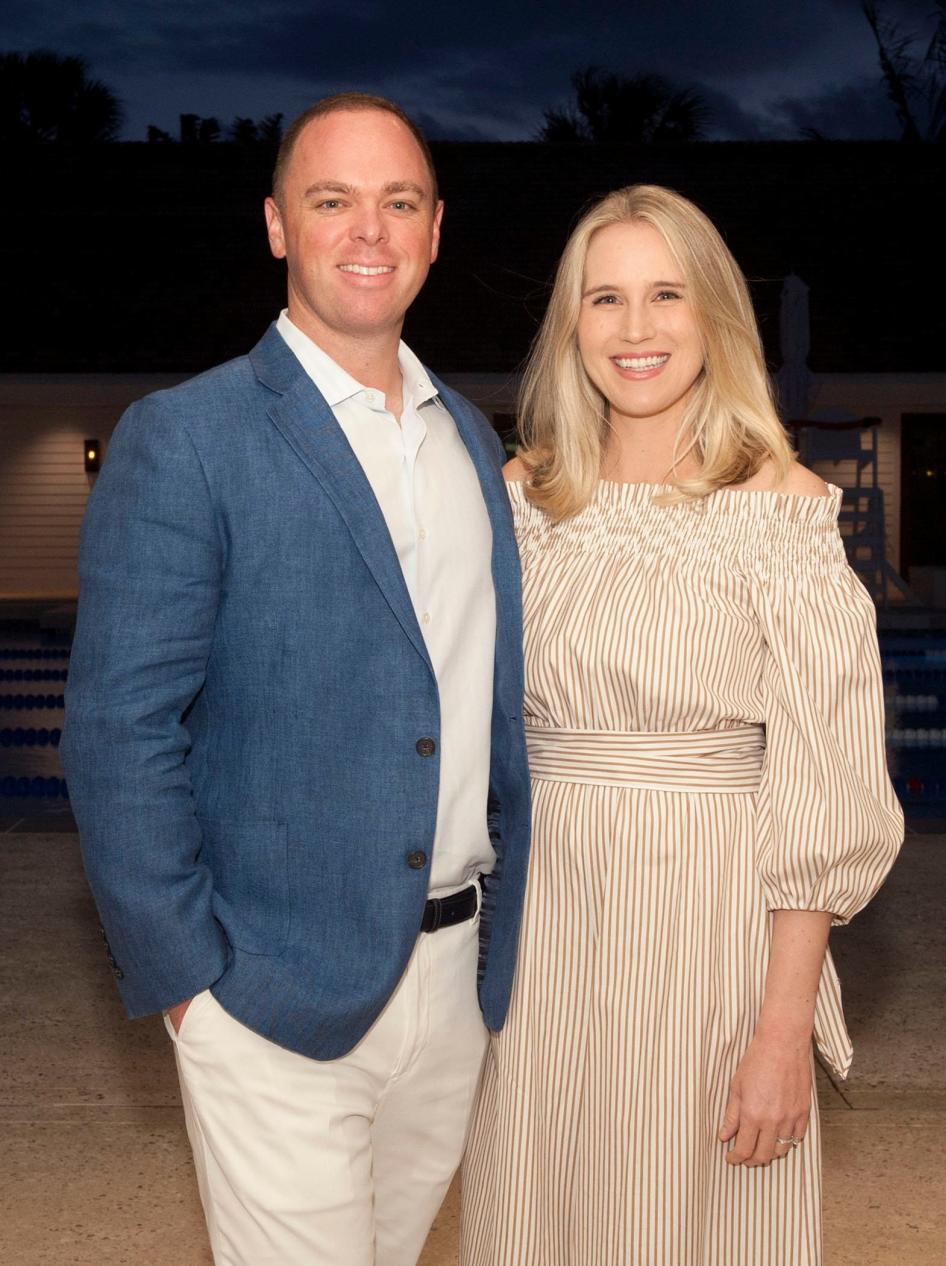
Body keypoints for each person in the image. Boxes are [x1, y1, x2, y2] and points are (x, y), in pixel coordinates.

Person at [61, 93, 530, 1266]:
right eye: (333, 201)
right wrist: (192, 985)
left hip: (453, 984)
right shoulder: (189, 436)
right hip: (266, 989)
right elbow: (118, 729)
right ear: (278, 225)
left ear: (435, 231)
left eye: (399, 203)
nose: (368, 231)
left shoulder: (472, 440)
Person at [460, 184, 903, 1266]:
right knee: (531, 1217)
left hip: (711, 939)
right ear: (572, 323)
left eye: (666, 295)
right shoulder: (516, 500)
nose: (637, 328)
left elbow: (823, 791)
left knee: (699, 1226)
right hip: (539, 937)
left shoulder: (783, 512)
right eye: (605, 298)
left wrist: (781, 1029)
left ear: (713, 315)